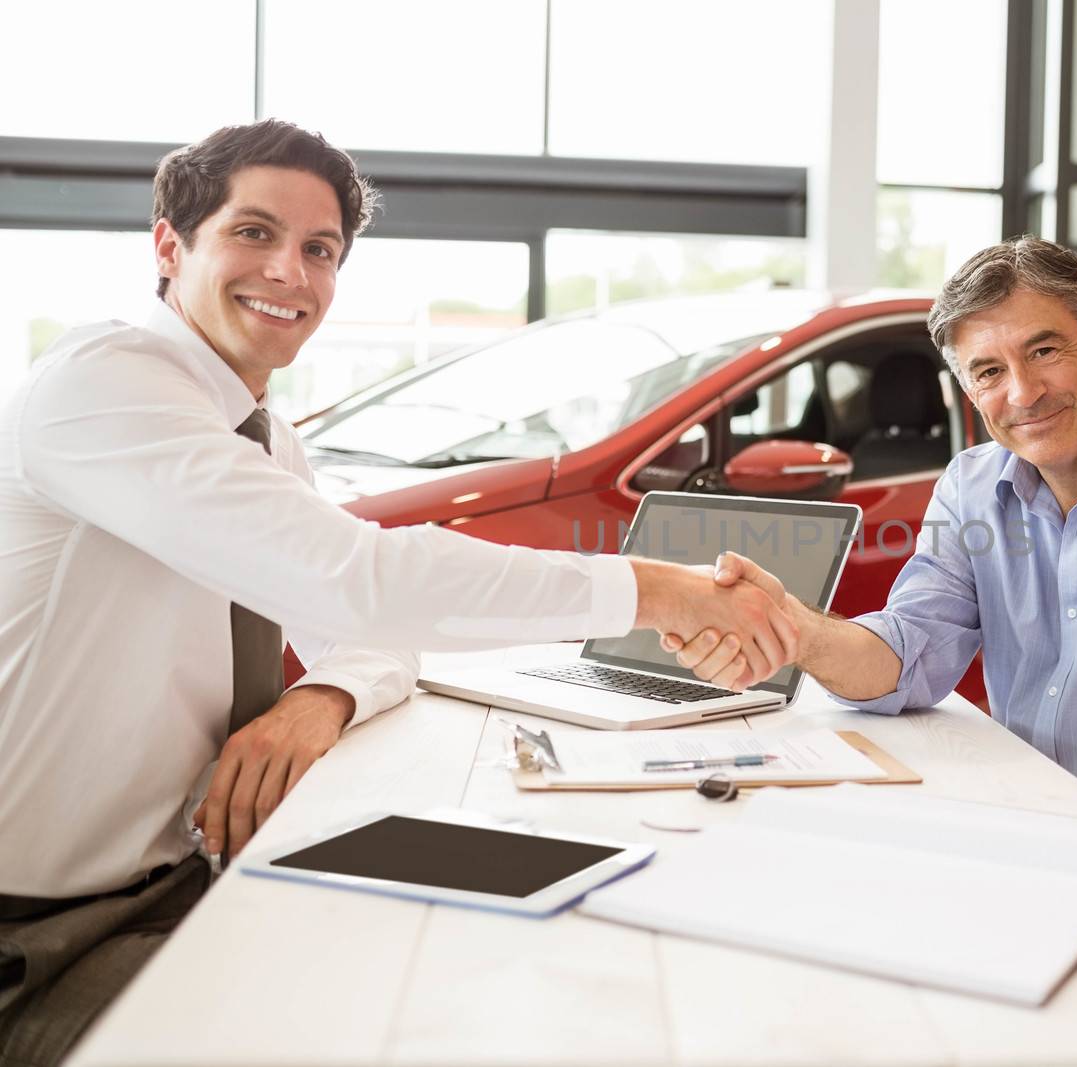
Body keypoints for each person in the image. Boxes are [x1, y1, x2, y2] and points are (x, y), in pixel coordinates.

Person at [0, 119, 794, 1067]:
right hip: (36, 936)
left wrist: (321, 694)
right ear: (170, 247)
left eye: (319, 249)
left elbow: (370, 629)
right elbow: (364, 581)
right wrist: (656, 590)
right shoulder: (105, 383)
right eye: (254, 233)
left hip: (184, 883)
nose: (290, 271)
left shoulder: (262, 437)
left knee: (501, 983)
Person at [666, 237, 1077, 907]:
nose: (1023, 392)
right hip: (1044, 848)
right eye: (987, 371)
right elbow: (910, 649)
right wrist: (798, 632)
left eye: (1044, 351)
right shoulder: (972, 485)